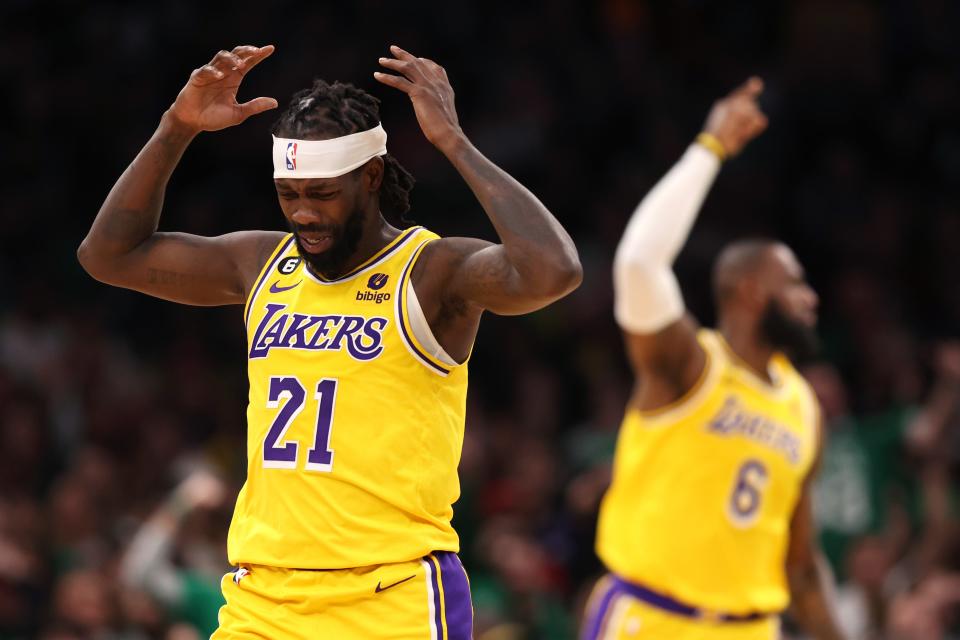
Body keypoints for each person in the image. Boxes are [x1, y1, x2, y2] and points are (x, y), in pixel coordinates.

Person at [78, 43, 581, 638]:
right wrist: (175, 128)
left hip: (389, 598)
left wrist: (454, 142)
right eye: (289, 195)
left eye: (322, 194)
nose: (303, 214)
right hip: (264, 599)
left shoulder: (431, 272)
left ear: (371, 177)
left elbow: (555, 271)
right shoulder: (260, 263)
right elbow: (108, 255)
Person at [581, 78, 845, 639]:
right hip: (653, 619)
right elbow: (637, 264)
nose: (811, 297)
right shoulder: (688, 365)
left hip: (753, 627)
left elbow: (799, 565)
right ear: (749, 290)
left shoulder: (804, 408)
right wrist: (711, 148)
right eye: (794, 284)